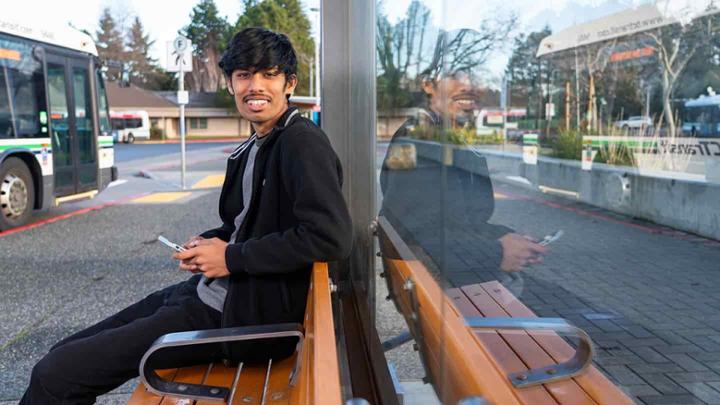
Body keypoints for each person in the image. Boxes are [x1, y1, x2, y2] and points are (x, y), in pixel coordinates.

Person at [21, 27, 352, 404]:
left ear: (289, 83)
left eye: (269, 75)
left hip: (241, 320)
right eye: (243, 75)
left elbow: (330, 236)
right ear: (230, 84)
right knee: (61, 354)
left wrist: (228, 257)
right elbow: (246, 224)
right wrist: (211, 242)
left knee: (56, 375)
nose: (255, 86)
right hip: (211, 296)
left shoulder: (300, 141)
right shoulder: (258, 143)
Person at [379, 29, 545, 290]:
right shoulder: (417, 142)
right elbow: (415, 230)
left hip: (443, 287)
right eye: (456, 73)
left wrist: (502, 236)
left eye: (475, 75)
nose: (469, 84)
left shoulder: (445, 138)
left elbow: (454, 222)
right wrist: (496, 252)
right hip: (444, 291)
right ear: (428, 84)